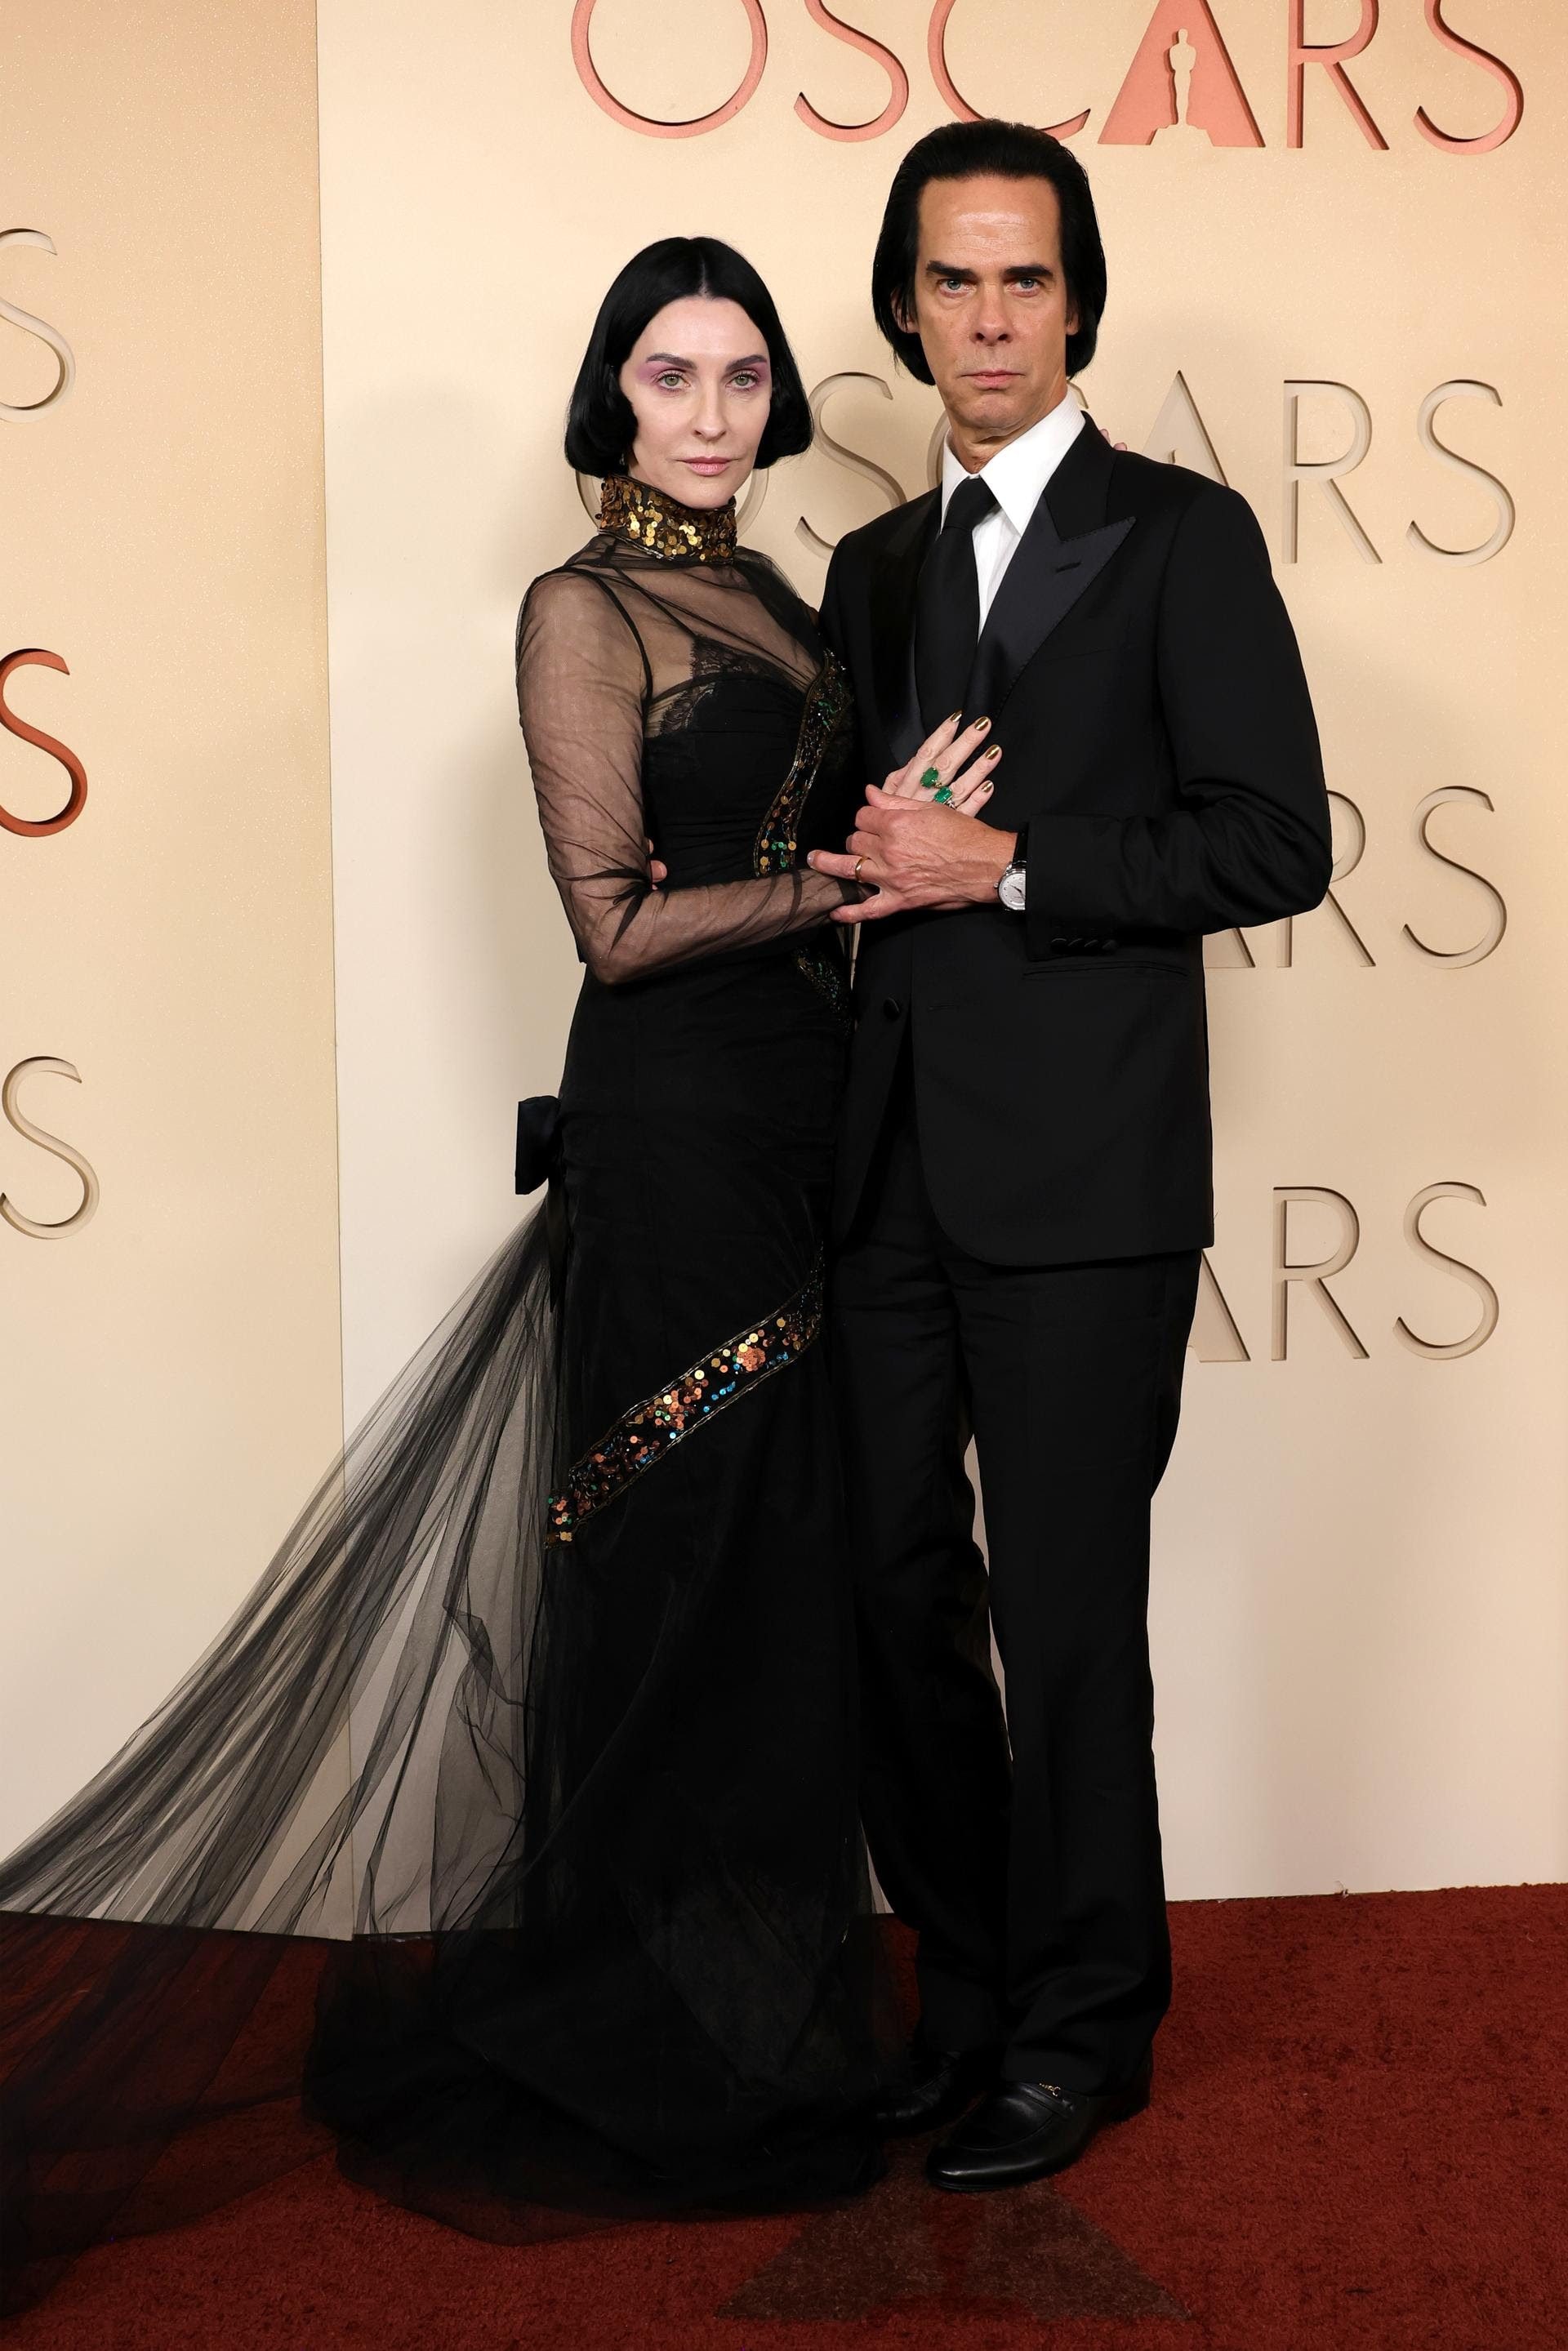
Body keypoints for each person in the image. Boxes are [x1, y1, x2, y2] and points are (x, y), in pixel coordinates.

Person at [0, 236, 999, 2315]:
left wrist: (896, 833)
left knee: (784, 1573)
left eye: (743, 375)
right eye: (671, 375)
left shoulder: (778, 594)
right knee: (683, 1569)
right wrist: (842, 883)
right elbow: (614, 927)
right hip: (675, 1142)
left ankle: (764, 2020)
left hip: (807, 1136)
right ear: (612, 396)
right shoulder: (583, 608)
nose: (711, 412)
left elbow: (800, 850)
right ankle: (657, 2041)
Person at [808, 121, 1333, 2193]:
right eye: (953, 280)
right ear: (907, 305)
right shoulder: (870, 570)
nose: (991, 317)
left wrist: (1009, 862)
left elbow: (1273, 841)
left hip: (1087, 1183)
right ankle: (969, 1995)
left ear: (1079, 300)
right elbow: (866, 854)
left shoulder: (1181, 536)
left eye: (1025, 278)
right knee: (890, 1592)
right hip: (885, 1173)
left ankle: (1085, 2029)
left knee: (1070, 1615)